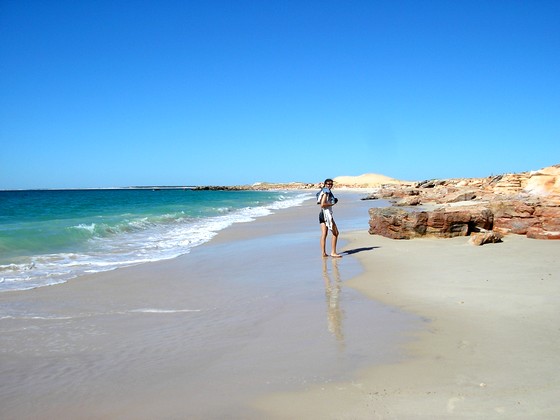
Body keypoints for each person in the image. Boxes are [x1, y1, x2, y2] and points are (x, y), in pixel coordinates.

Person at [318, 178, 342, 258]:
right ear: (325, 184)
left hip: (322, 214)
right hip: (326, 214)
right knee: (336, 233)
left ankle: (323, 253)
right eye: (328, 184)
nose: (329, 185)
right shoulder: (326, 192)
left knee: (324, 234)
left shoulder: (323, 191)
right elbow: (322, 204)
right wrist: (332, 204)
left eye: (331, 184)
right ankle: (333, 252)